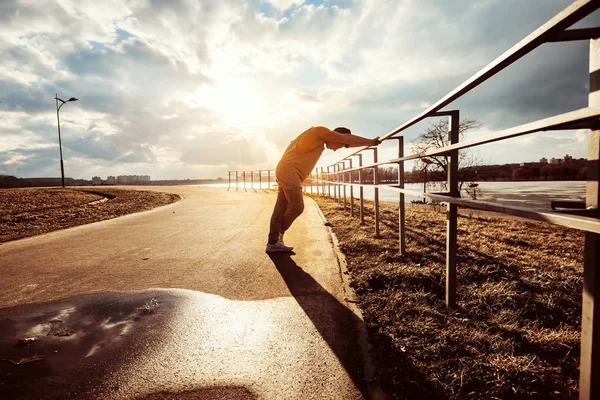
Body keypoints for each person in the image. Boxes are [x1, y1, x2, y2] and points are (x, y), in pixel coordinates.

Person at [266, 126, 381, 252]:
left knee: (281, 206)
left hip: (287, 171)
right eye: (339, 146)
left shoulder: (318, 140)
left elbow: (346, 140)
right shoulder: (319, 131)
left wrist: (351, 143)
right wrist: (371, 142)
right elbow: (346, 138)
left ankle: (273, 242)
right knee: (297, 207)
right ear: (335, 135)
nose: (336, 150)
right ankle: (276, 236)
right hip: (289, 171)